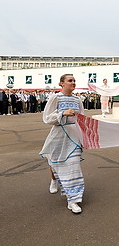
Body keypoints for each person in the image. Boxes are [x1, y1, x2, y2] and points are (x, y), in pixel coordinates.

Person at [39, 74, 85, 214]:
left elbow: (82, 119)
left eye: (74, 80)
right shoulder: (56, 98)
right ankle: (54, 180)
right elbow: (47, 118)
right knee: (55, 163)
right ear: (62, 83)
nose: (73, 82)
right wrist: (63, 113)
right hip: (58, 136)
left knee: (73, 165)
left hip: (73, 137)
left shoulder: (78, 99)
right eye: (70, 80)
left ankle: (73, 200)